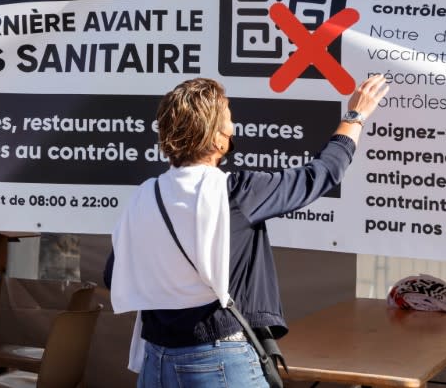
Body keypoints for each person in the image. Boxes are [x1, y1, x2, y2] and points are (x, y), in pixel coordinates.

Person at [105, 74, 389, 388]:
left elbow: (114, 274)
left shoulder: (145, 196)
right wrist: (355, 116)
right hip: (217, 360)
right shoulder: (235, 192)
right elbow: (321, 174)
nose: (233, 125)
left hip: (156, 361)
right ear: (215, 138)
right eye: (228, 118)